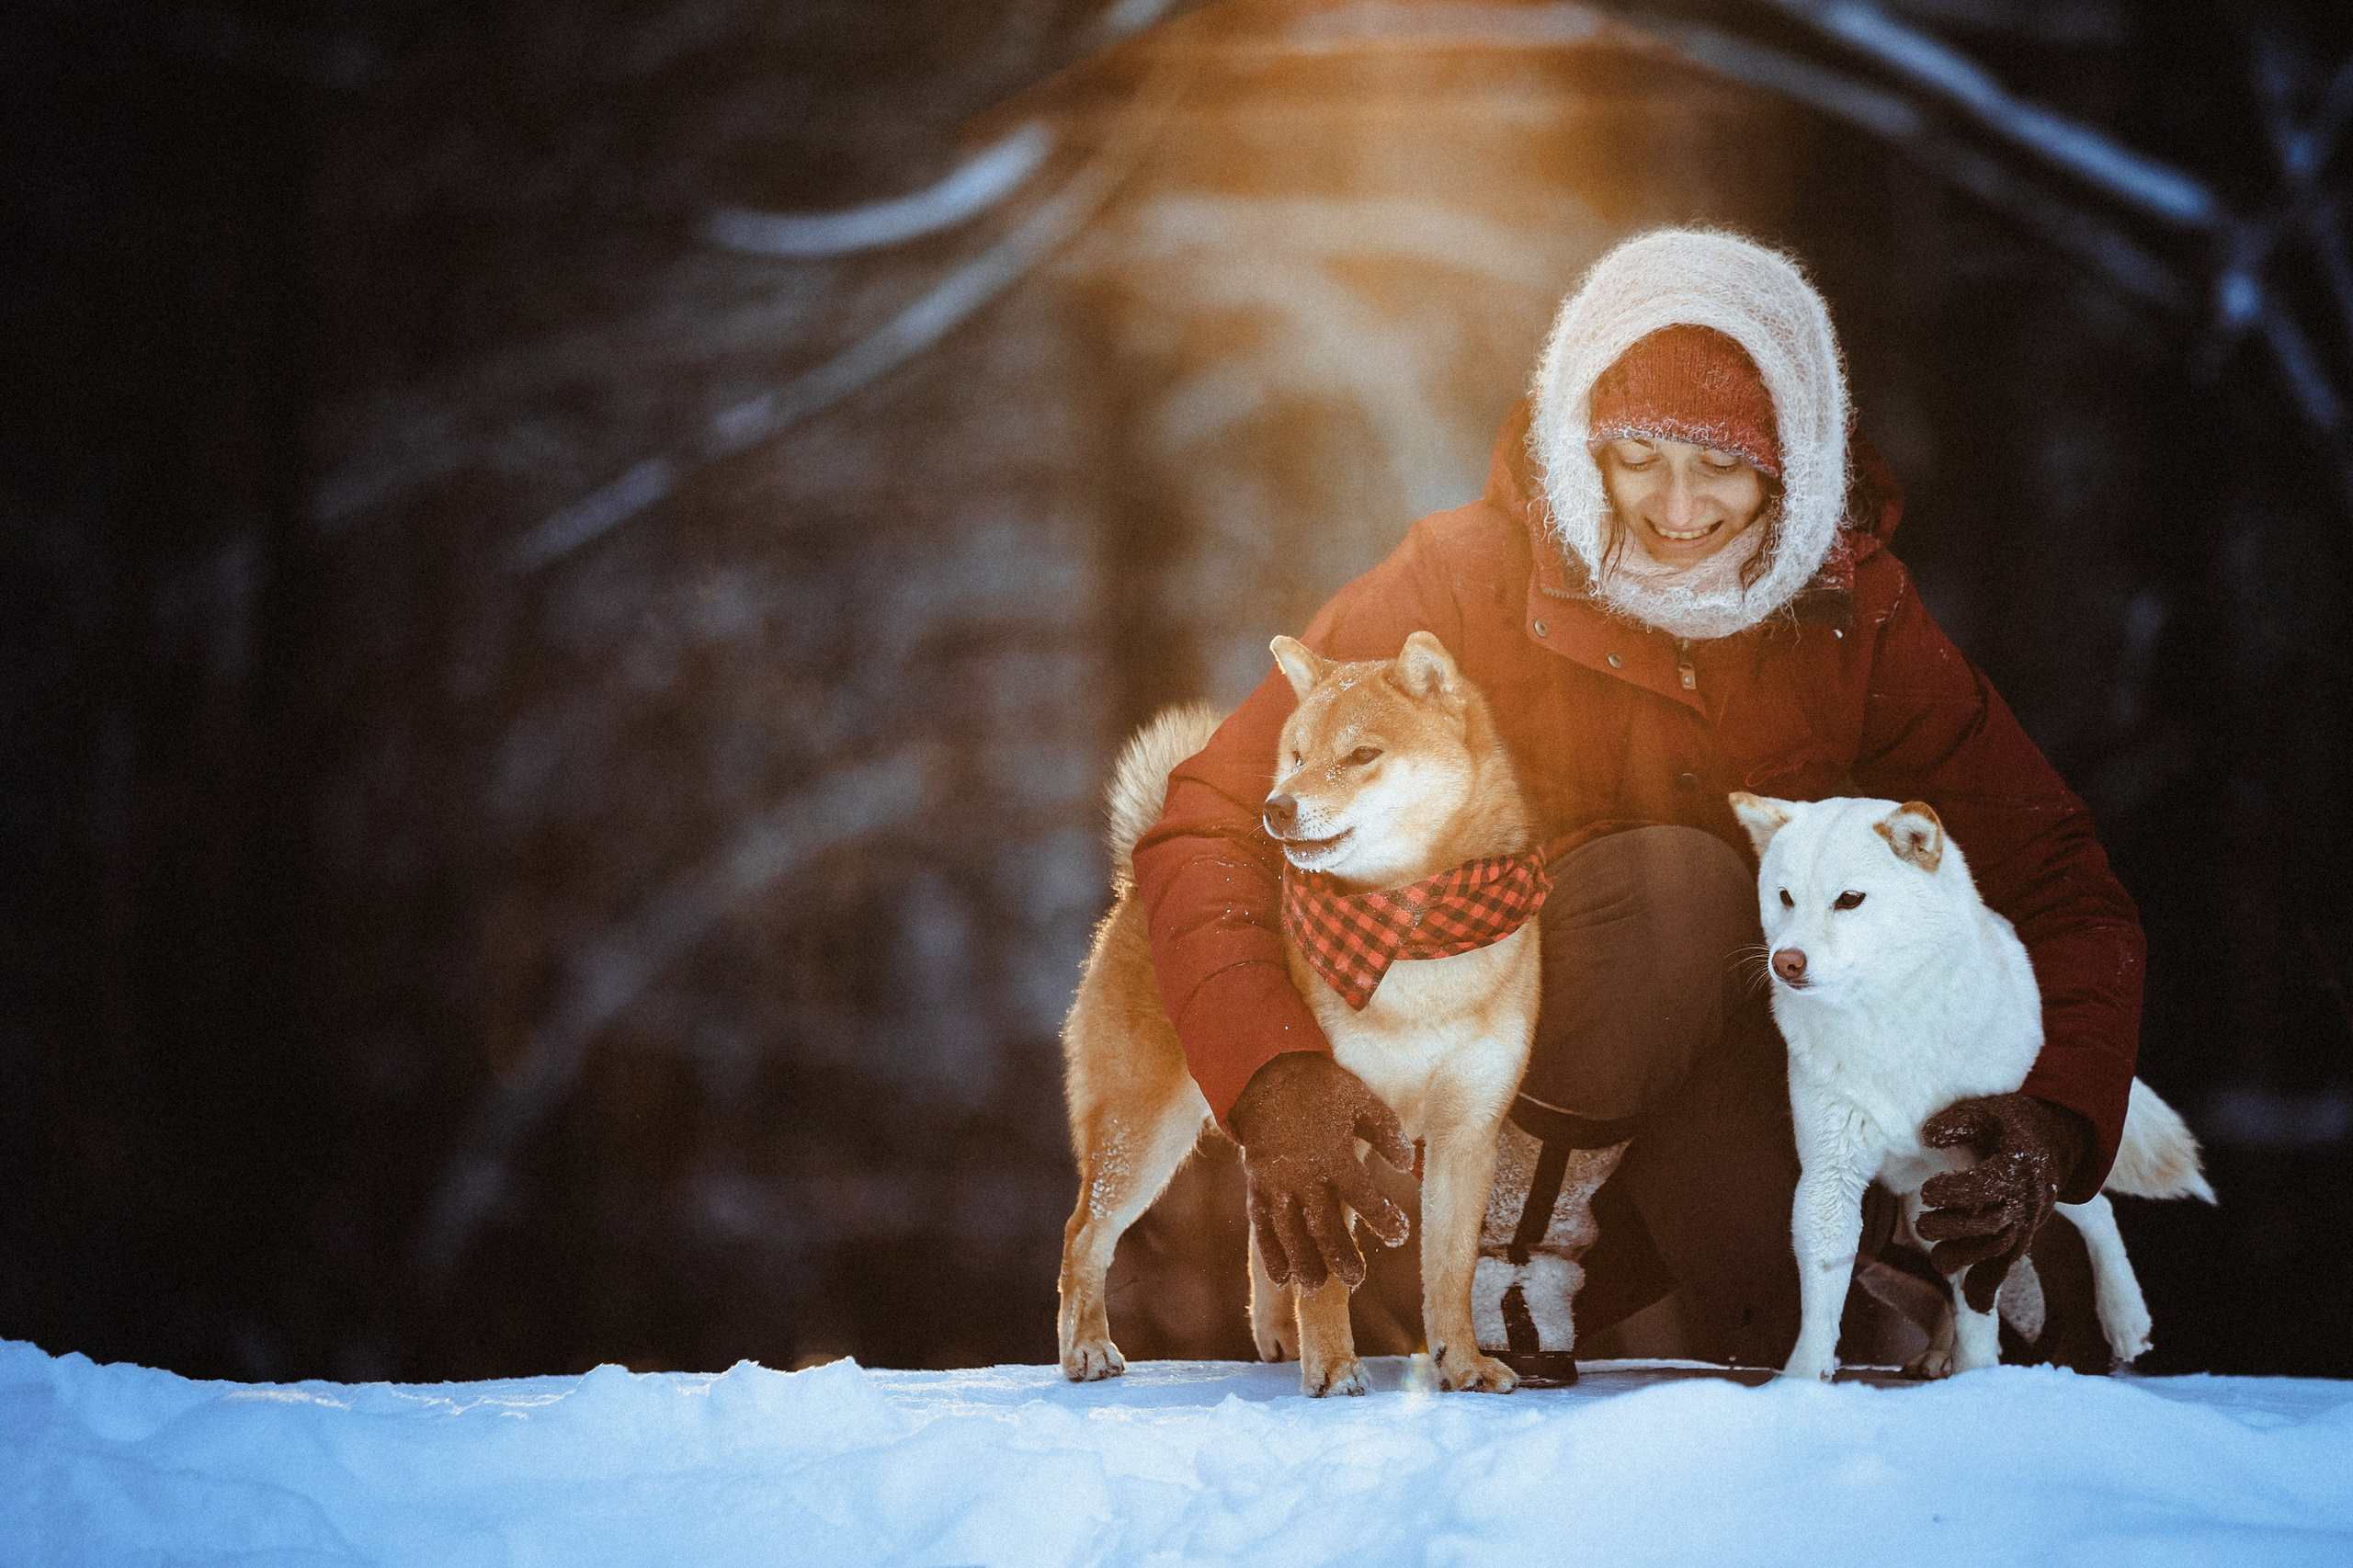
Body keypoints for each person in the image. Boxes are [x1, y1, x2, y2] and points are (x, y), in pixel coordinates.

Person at [1128, 228, 2143, 1369]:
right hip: (1475, 1082)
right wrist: (1274, 1076)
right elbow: (1207, 821)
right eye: (1638, 455)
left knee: (1807, 1331)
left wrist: (2053, 1119)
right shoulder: (1459, 578)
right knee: (1677, 884)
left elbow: (2061, 885)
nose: (1674, 504)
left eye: (1721, 464)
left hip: (1728, 1064)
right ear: (1580, 446)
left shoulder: (1859, 614)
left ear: (1794, 462)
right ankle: (1505, 1245)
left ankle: (1868, 1277)